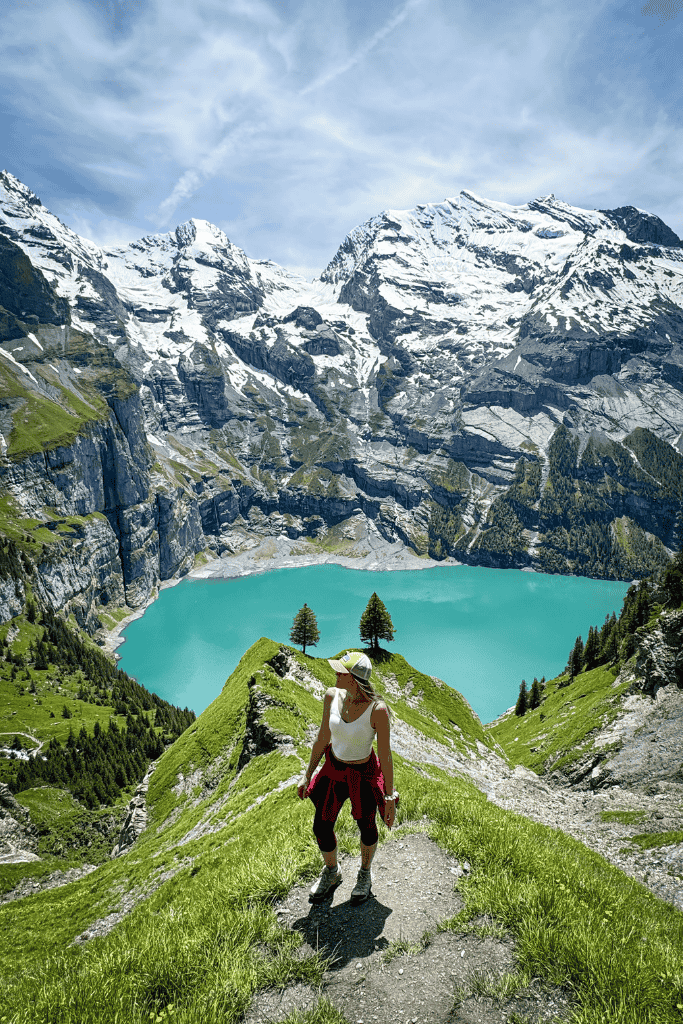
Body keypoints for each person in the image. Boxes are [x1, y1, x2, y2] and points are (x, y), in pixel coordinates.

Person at [297, 650, 399, 904]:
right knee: (321, 825)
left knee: (366, 825)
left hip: (363, 773)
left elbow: (385, 756)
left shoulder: (378, 710)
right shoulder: (332, 696)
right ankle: (332, 872)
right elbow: (323, 738)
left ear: (353, 679)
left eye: (340, 671)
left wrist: (388, 796)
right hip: (333, 769)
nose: (335, 673)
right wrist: (306, 774)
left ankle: (364, 874)